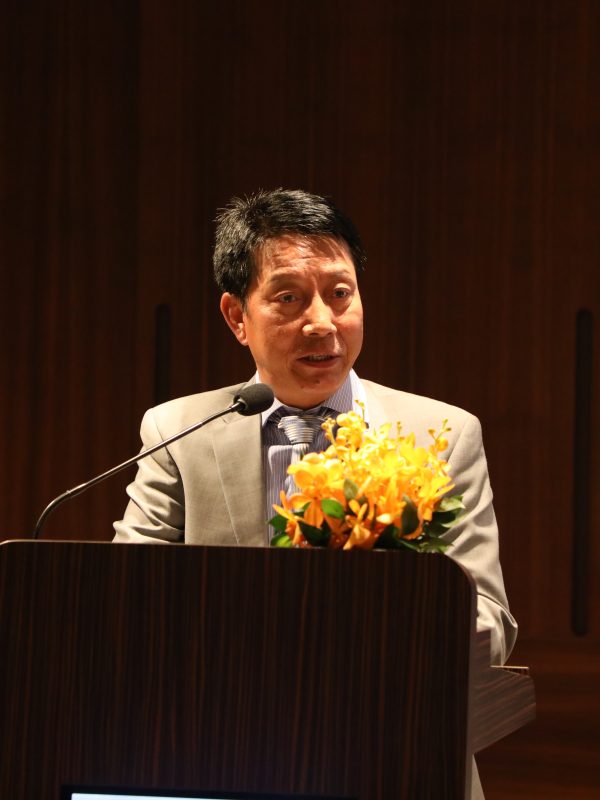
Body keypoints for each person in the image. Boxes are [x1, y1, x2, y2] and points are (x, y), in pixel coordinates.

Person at [113, 190, 517, 795]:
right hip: (222, 751)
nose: (323, 322)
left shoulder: (442, 434)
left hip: (398, 749)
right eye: (288, 298)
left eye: (340, 293)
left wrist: (403, 639)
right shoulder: (178, 432)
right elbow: (125, 599)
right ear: (236, 317)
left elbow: (490, 617)